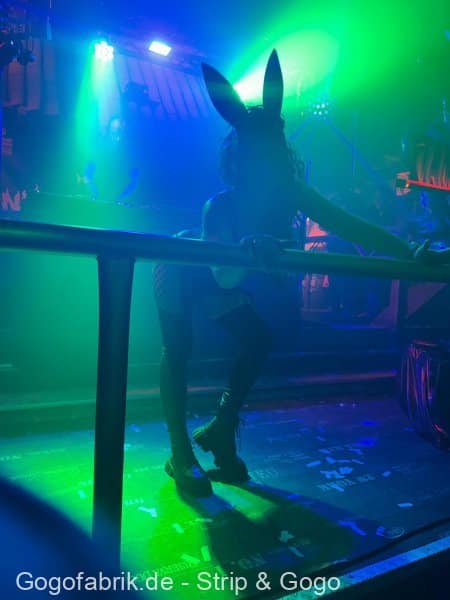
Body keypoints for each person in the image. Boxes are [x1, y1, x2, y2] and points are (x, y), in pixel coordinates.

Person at [153, 50, 450, 497]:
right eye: (258, 150)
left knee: (258, 340)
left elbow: (350, 225)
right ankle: (181, 452)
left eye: (272, 148)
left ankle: (222, 425)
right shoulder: (220, 206)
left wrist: (411, 252)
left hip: (223, 279)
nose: (267, 158)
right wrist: (251, 248)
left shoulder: (289, 191)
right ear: (242, 154)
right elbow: (224, 275)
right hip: (183, 273)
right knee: (177, 351)